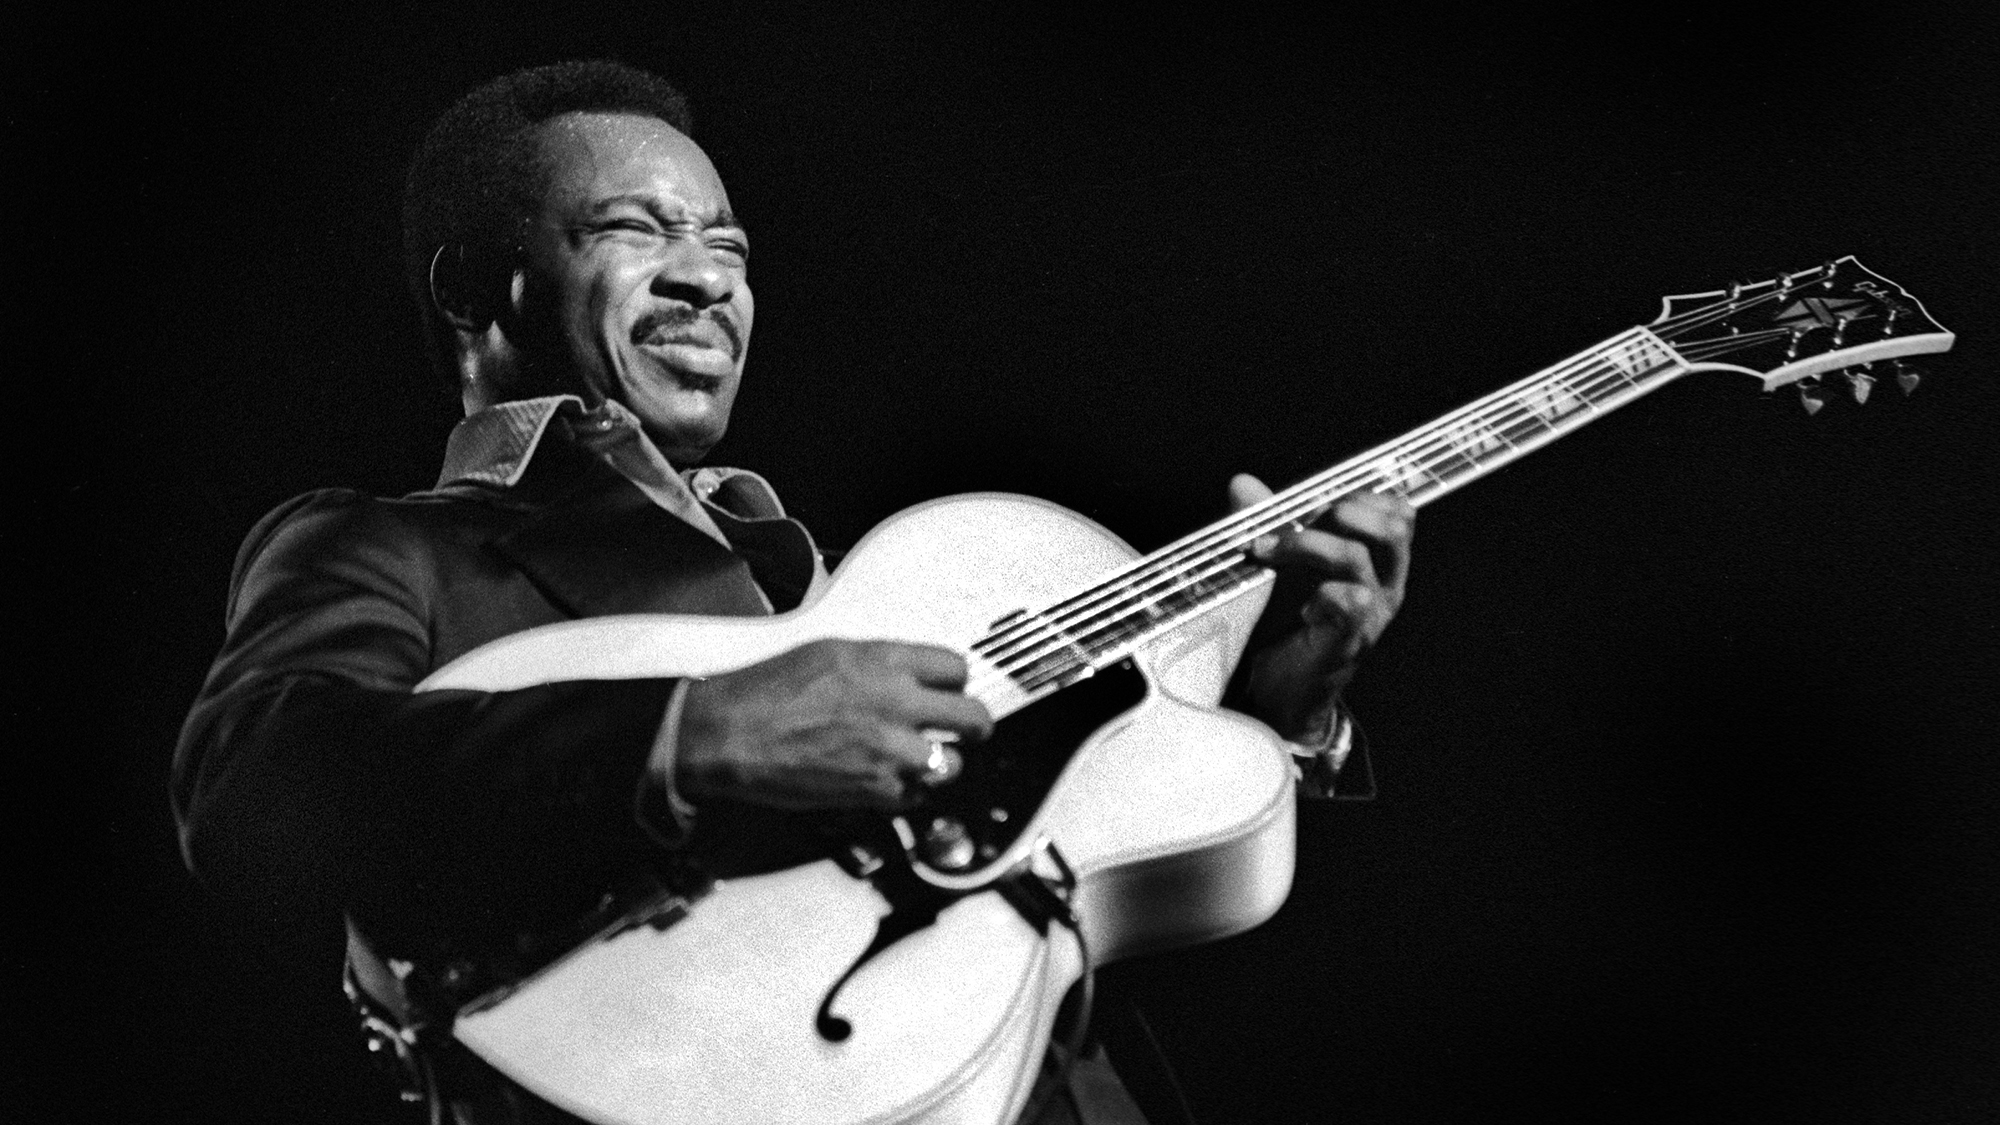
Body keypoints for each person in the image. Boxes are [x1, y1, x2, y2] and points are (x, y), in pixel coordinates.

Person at [173, 60, 1414, 1125]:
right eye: (631, 228)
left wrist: (1280, 708)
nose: (704, 278)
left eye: (727, 246)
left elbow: (1082, 912)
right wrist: (700, 731)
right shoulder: (385, 546)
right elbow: (255, 788)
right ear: (469, 289)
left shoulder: (840, 582)